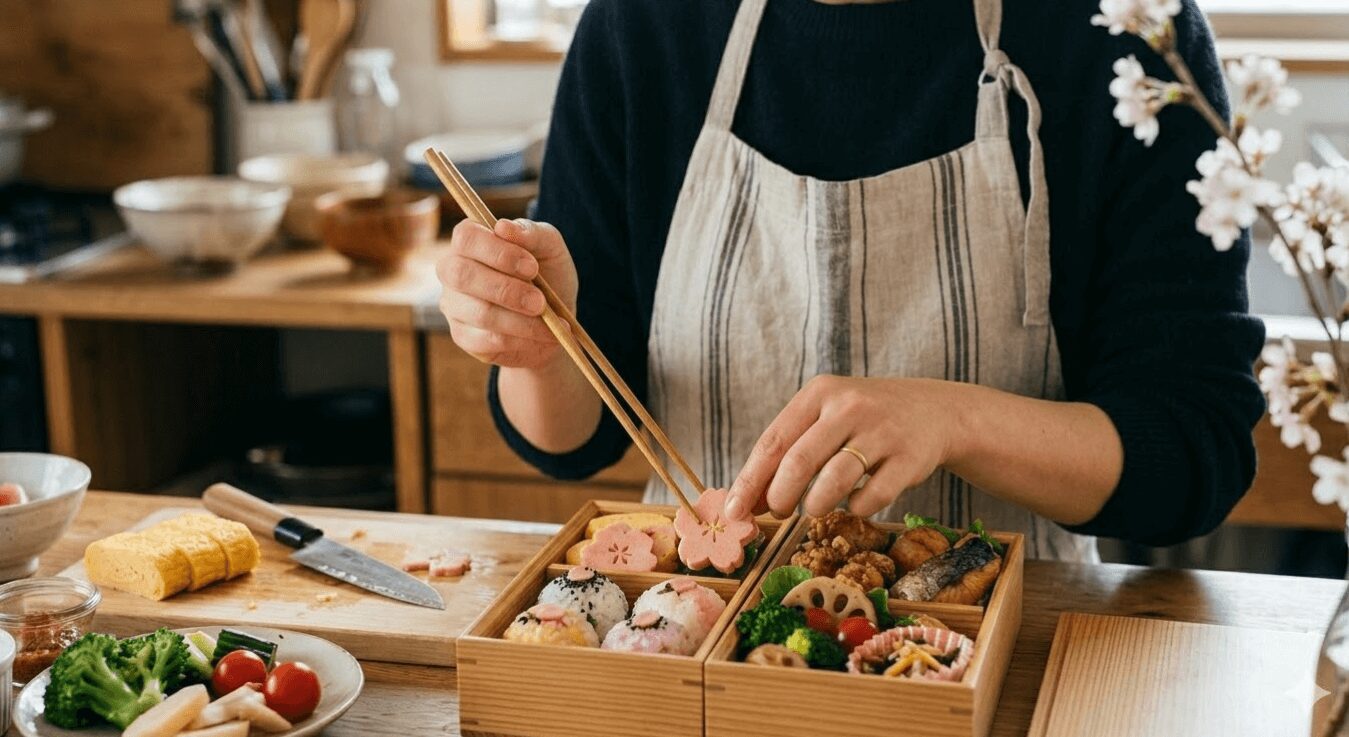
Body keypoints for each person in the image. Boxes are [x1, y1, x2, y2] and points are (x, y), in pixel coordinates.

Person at [435, 0, 1265, 561]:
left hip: (1009, 651)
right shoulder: (645, 21)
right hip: (697, 643)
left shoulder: (1122, 30)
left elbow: (1192, 452)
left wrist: (955, 420)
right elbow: (571, 441)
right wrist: (532, 342)